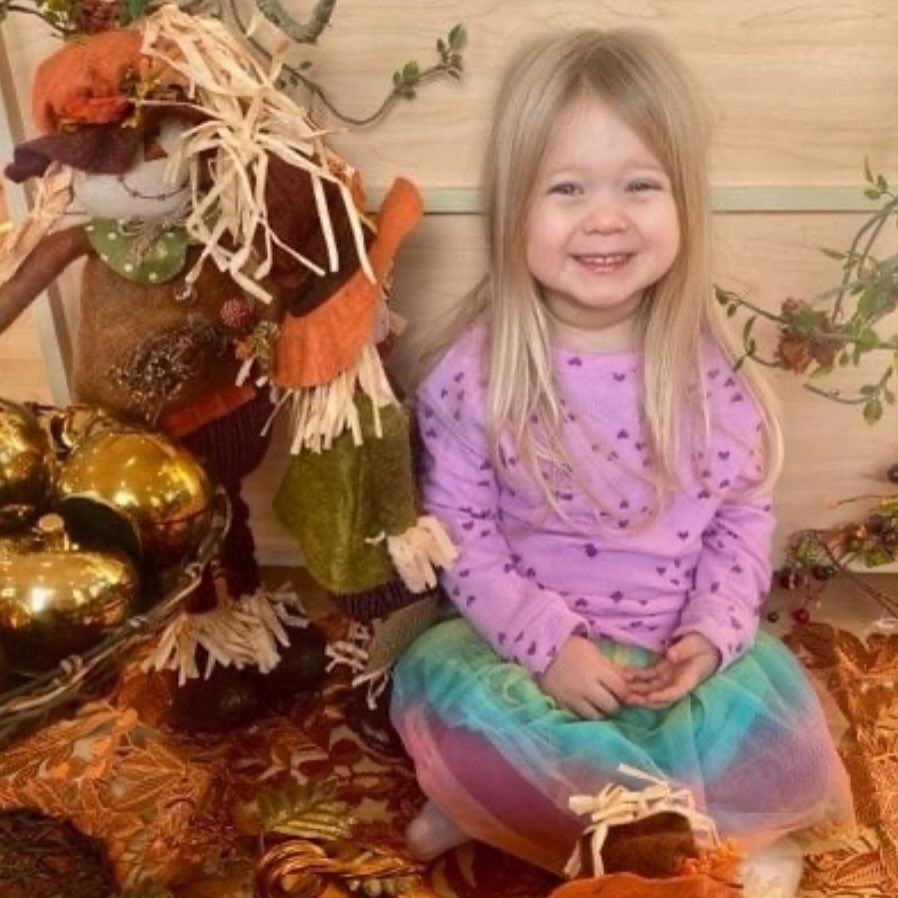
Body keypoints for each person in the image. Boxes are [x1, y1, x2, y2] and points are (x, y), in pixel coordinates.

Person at [388, 26, 854, 897]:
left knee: (760, 745)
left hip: (672, 661)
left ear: (685, 204)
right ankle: (491, 799)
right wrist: (547, 646)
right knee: (460, 713)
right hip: (528, 659)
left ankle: (713, 830)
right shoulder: (476, 374)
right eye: (567, 189)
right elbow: (462, 536)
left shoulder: (714, 373)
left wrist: (711, 641)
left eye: (640, 186)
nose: (606, 218)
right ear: (514, 207)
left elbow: (739, 525)